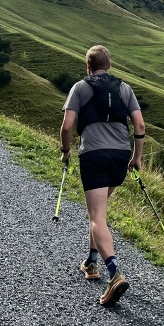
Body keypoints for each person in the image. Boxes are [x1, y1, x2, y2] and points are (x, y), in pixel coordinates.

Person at [59, 45, 145, 306]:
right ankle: (91, 263)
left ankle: (114, 273)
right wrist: (137, 158)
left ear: (88, 65)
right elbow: (140, 125)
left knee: (97, 217)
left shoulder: (81, 87)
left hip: (94, 156)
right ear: (110, 65)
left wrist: (65, 152)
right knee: (100, 214)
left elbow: (67, 126)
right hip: (120, 156)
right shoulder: (124, 88)